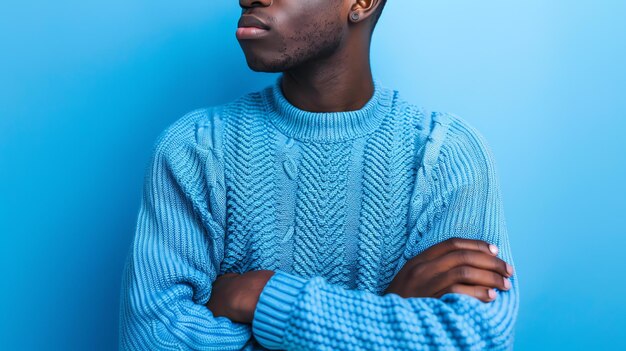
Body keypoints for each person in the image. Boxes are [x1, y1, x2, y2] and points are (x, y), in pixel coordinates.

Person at [118, 0, 519, 350]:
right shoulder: (196, 149)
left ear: (361, 2)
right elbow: (152, 339)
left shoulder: (446, 154)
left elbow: (476, 338)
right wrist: (389, 306)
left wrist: (261, 296)